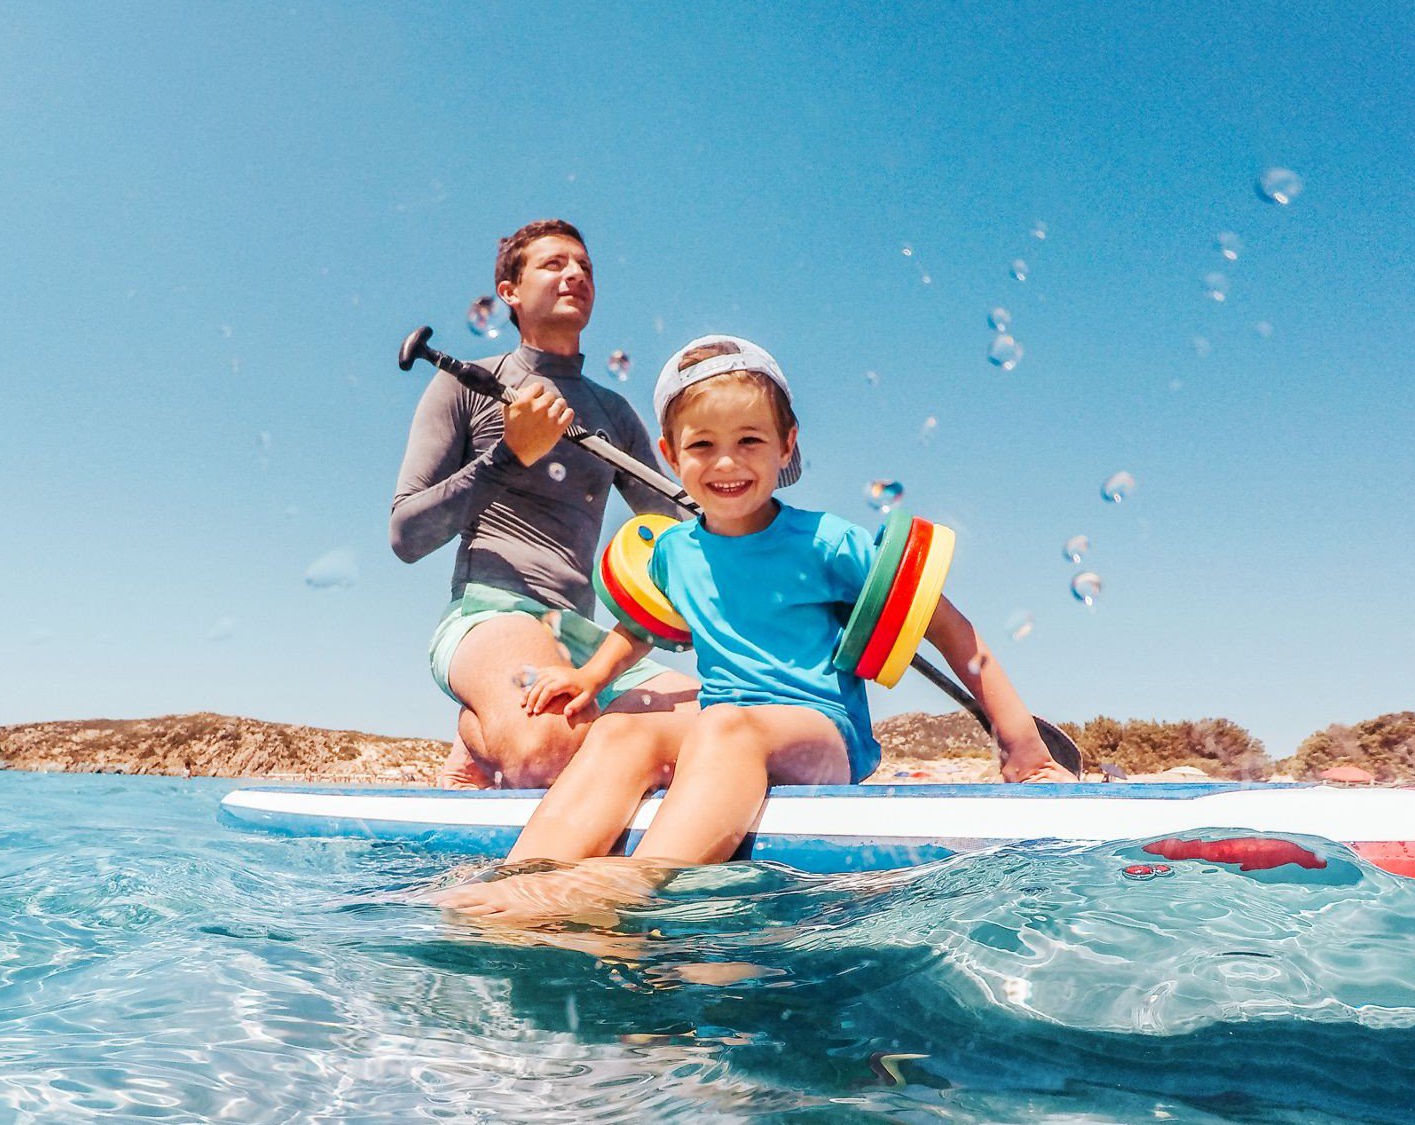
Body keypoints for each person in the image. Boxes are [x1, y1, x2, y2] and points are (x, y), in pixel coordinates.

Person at [440, 336, 1074, 923]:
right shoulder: (674, 552)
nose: (726, 463)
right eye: (702, 445)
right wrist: (588, 677)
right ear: (669, 454)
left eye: (749, 441)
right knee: (621, 732)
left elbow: (951, 630)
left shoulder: (828, 542)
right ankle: (525, 879)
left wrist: (1023, 747)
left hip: (821, 731)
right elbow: (642, 625)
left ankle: (629, 888)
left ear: (786, 445)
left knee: (725, 723)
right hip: (727, 724)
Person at [391, 219, 699, 789]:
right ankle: (485, 727)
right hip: (490, 617)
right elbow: (405, 535)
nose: (576, 274)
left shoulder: (616, 414)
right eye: (554, 264)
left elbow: (679, 532)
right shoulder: (466, 384)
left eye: (585, 267)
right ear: (509, 291)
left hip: (585, 640)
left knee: (727, 734)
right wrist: (510, 455)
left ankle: (523, 728)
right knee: (551, 751)